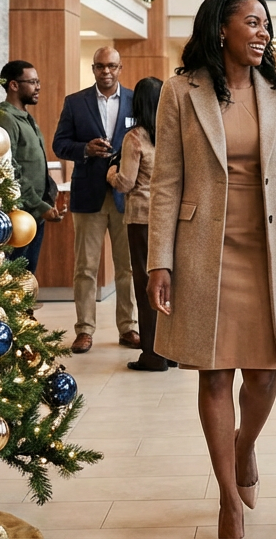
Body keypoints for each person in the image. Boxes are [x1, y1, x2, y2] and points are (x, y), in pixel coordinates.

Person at [147, 0, 276, 539]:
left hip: (266, 249)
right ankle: (228, 500)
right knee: (214, 374)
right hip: (201, 250)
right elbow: (166, 181)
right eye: (253, 23)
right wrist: (158, 261)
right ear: (222, 29)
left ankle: (244, 450)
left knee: (264, 373)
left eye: (266, 24)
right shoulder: (180, 90)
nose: (263, 33)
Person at [52, 47, 138, 354]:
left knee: (127, 267)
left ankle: (128, 327)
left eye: (112, 66)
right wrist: (85, 149)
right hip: (88, 194)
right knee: (85, 267)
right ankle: (84, 329)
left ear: (120, 67)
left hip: (124, 195)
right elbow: (60, 144)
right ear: (93, 68)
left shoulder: (133, 101)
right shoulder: (75, 103)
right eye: (100, 66)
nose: (106, 71)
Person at [107, 76, 172, 372]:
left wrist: (110, 173)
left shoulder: (135, 137)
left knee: (146, 285)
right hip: (170, 219)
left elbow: (126, 182)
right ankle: (171, 350)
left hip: (142, 219)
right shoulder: (173, 134)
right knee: (169, 284)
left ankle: (153, 355)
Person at [0, 61, 64, 274]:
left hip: (34, 213)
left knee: (27, 279)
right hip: (19, 215)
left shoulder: (25, 117)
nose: (38, 87)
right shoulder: (5, 117)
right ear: (14, 85)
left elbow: (34, 163)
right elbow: (11, 169)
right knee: (13, 279)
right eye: (32, 82)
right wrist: (40, 206)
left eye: (38, 82)